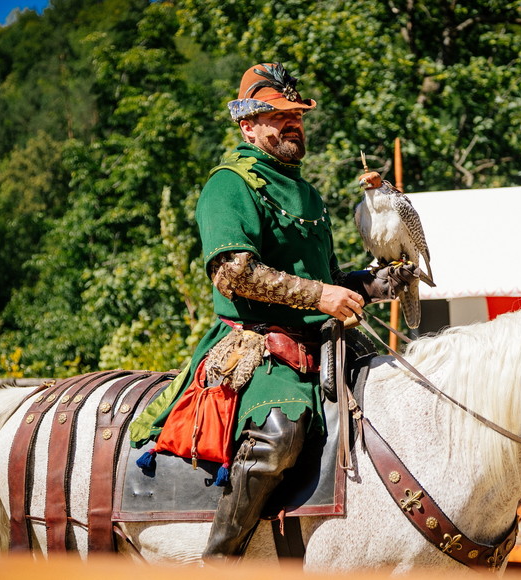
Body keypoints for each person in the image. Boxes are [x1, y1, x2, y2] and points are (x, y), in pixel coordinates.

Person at [177, 62, 414, 559]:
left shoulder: (308, 193)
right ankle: (219, 558)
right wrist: (321, 297)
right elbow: (232, 272)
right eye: (279, 116)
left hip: (329, 343)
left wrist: (373, 283)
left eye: (297, 115)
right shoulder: (229, 184)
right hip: (261, 347)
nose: (292, 123)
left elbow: (327, 283)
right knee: (279, 435)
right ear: (248, 125)